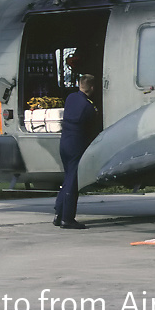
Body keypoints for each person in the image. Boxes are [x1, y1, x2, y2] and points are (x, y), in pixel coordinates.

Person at [53, 74, 99, 229]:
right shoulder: (88, 107)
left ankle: (58, 214)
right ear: (92, 88)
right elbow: (91, 129)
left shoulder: (71, 98)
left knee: (67, 178)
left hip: (64, 143)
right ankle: (68, 218)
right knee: (73, 182)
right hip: (76, 146)